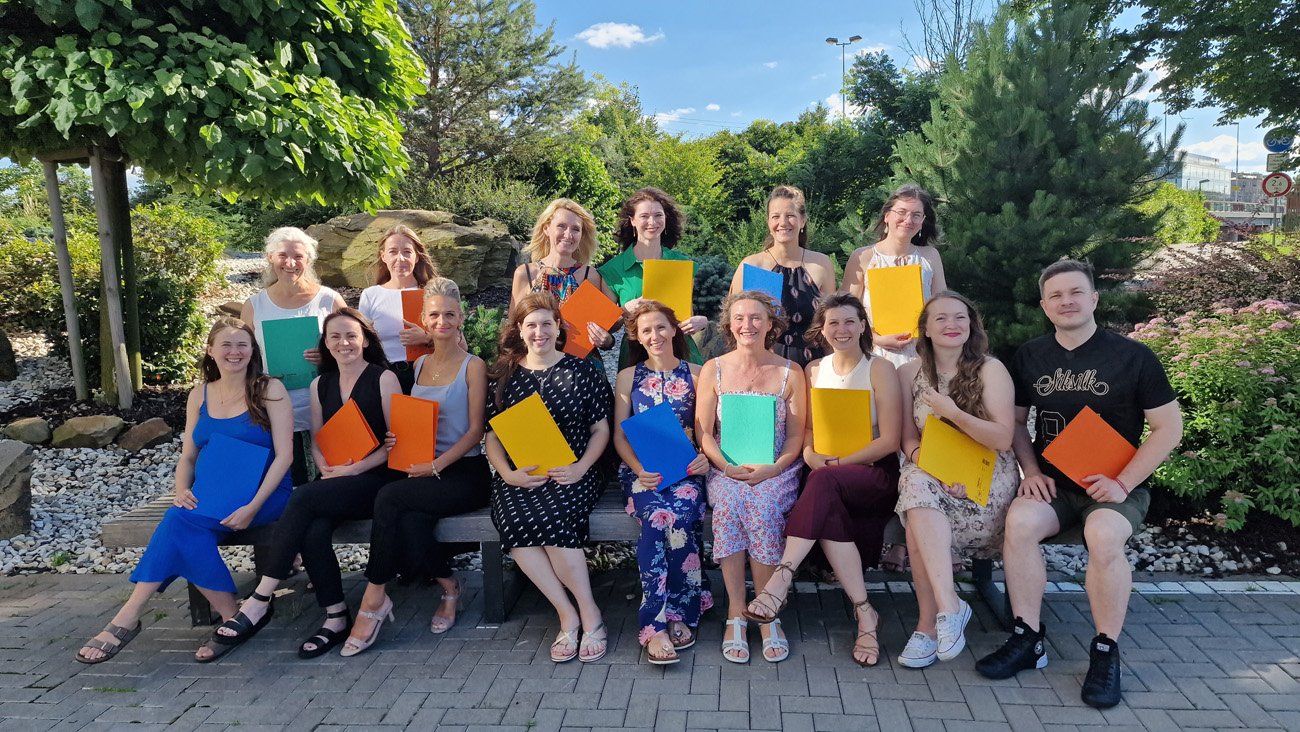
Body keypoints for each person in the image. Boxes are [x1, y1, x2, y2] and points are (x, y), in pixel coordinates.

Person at [976, 260, 1182, 709]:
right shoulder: (1031, 355)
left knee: (1103, 535)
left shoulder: (1133, 357)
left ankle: (1105, 651)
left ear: (1094, 299)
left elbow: (1169, 428)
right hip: (1054, 485)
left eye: (1075, 293)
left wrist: (1123, 482)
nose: (1066, 301)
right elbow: (1015, 423)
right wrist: (1031, 472)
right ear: (1044, 305)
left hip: (1114, 486)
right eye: (1056, 295)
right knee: (1020, 524)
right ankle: (1028, 637)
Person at [75, 318, 294, 664]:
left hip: (263, 491)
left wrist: (253, 506)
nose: (235, 352)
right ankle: (233, 617)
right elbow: (188, 455)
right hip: (213, 489)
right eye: (226, 345)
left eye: (243, 344)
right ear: (211, 350)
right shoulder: (199, 394)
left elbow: (285, 456)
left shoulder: (269, 389)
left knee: (178, 524)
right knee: (181, 521)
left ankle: (127, 619)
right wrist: (181, 489)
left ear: (253, 351)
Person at [213, 309, 401, 658]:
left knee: (301, 498)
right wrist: (324, 464)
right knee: (313, 530)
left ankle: (260, 597)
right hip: (333, 478)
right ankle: (336, 616)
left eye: (351, 336)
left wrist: (354, 470)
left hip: (377, 479)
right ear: (325, 344)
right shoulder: (320, 384)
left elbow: (396, 444)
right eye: (335, 337)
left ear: (364, 340)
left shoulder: (384, 378)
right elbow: (317, 439)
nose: (343, 343)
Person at [742, 293, 902, 667]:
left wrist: (839, 462)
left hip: (872, 472)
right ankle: (865, 613)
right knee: (824, 496)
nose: (841, 329)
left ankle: (781, 578)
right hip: (825, 471)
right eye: (833, 323)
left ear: (863, 326)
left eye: (849, 321)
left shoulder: (879, 368)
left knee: (823, 483)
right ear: (822, 329)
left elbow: (890, 440)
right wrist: (812, 455)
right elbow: (809, 429)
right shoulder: (814, 370)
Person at [344, 277, 492, 654]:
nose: (442, 321)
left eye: (450, 315)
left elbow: (476, 431)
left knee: (390, 497)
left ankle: (374, 597)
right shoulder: (421, 363)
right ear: (424, 320)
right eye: (435, 315)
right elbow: (416, 420)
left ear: (461, 318)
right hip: (425, 468)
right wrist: (397, 440)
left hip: (464, 472)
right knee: (409, 520)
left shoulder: (473, 366)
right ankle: (450, 587)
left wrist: (435, 465)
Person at [486, 292, 613, 663]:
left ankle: (590, 613)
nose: (539, 331)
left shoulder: (582, 371)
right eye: (531, 325)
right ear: (519, 330)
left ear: (559, 327)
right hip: (521, 474)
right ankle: (567, 613)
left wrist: (580, 468)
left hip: (574, 470)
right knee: (514, 520)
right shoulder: (504, 375)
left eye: (546, 323)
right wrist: (508, 474)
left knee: (554, 517)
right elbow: (492, 435)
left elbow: (601, 429)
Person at [894, 292, 1018, 669]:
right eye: (942, 318)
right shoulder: (908, 373)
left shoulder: (990, 370)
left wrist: (954, 413)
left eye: (960, 317)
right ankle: (949, 608)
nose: (952, 325)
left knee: (917, 518)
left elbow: (1003, 439)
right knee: (916, 486)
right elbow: (908, 440)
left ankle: (928, 626)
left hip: (985, 480)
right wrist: (934, 467)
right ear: (926, 329)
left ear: (971, 326)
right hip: (933, 475)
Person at [697, 291, 807, 663]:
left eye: (757, 317)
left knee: (762, 505)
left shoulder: (791, 372)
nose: (748, 325)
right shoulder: (714, 369)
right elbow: (705, 433)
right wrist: (725, 467)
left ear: (770, 324)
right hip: (726, 467)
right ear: (729, 325)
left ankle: (766, 611)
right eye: (740, 318)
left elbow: (795, 435)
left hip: (777, 468)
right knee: (729, 505)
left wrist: (775, 467)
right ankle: (735, 611)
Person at [612, 300, 712, 664]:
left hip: (686, 472)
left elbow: (708, 431)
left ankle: (681, 611)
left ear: (673, 329)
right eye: (646, 330)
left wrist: (704, 458)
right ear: (637, 338)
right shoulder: (628, 377)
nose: (654, 335)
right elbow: (619, 436)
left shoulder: (698, 374)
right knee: (656, 520)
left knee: (681, 519)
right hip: (643, 473)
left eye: (660, 327)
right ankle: (654, 624)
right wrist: (638, 469)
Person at [241, 227, 346, 484]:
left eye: (298, 256)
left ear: (308, 259)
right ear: (270, 257)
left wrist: (328, 356)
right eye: (283, 256)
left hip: (325, 405)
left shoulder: (329, 300)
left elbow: (356, 345)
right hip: (273, 408)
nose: (290, 263)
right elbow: (244, 358)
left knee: (330, 479)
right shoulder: (254, 305)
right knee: (288, 482)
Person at [729, 186, 837, 367]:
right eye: (776, 216)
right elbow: (733, 324)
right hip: (764, 365)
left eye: (790, 215)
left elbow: (830, 323)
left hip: (813, 365)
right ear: (768, 222)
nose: (783, 222)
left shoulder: (821, 264)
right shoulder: (752, 265)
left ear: (803, 220)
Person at [842, 183, 948, 367]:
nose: (908, 219)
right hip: (873, 356)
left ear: (923, 220)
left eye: (916, 215)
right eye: (902, 212)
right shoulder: (864, 257)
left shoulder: (930, 257)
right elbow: (845, 311)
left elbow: (943, 307)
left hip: (921, 356)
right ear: (887, 215)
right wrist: (875, 338)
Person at [599, 187, 707, 368]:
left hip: (680, 351)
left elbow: (686, 315)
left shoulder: (682, 263)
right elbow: (608, 326)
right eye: (644, 216)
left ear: (666, 219)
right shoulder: (613, 270)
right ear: (632, 221)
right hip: (636, 354)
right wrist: (624, 309)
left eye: (658, 215)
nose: (652, 222)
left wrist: (700, 322)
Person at [511, 198, 619, 356]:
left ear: (581, 235)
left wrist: (607, 339)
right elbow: (513, 327)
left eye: (576, 229)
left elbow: (609, 325)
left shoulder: (590, 275)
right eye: (561, 226)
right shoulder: (525, 273)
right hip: (536, 360)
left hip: (579, 360)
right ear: (546, 229)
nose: (568, 235)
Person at [357, 224, 440, 393]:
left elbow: (458, 342)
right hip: (385, 376)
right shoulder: (371, 295)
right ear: (383, 256)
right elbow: (362, 343)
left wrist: (427, 338)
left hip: (428, 374)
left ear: (417, 257)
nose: (400, 258)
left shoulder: (433, 293)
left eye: (407, 252)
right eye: (393, 252)